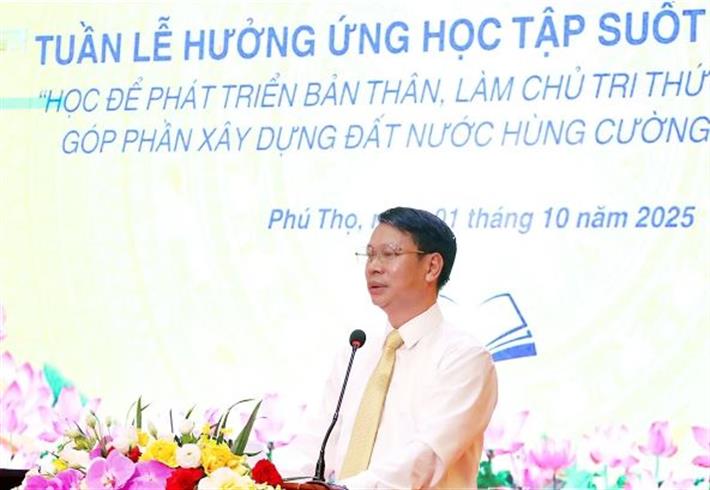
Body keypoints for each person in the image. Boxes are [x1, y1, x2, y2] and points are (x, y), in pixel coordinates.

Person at [280, 206, 498, 489]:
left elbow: (427, 456)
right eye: (370, 254)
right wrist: (271, 480)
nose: (373, 266)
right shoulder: (357, 350)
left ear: (432, 267)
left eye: (389, 254)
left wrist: (347, 489)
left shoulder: (464, 358)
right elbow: (316, 439)